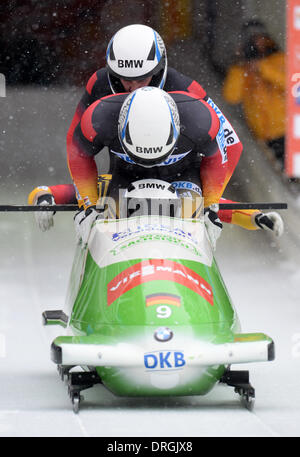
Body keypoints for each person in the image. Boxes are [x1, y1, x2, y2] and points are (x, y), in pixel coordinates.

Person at [28, 23, 283, 239]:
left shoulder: (189, 98)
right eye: (123, 78)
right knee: (116, 202)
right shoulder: (101, 101)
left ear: (159, 70)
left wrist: (211, 203)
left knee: (188, 203)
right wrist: (88, 204)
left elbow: (228, 144)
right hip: (126, 172)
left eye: (142, 79)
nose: (132, 87)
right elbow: (78, 146)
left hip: (181, 173)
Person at [223, 21, 285, 164]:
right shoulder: (243, 67)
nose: (255, 43)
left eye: (258, 38)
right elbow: (231, 96)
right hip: (261, 137)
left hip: (284, 132)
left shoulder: (280, 59)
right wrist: (239, 65)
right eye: (250, 40)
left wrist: (262, 68)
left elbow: (290, 85)